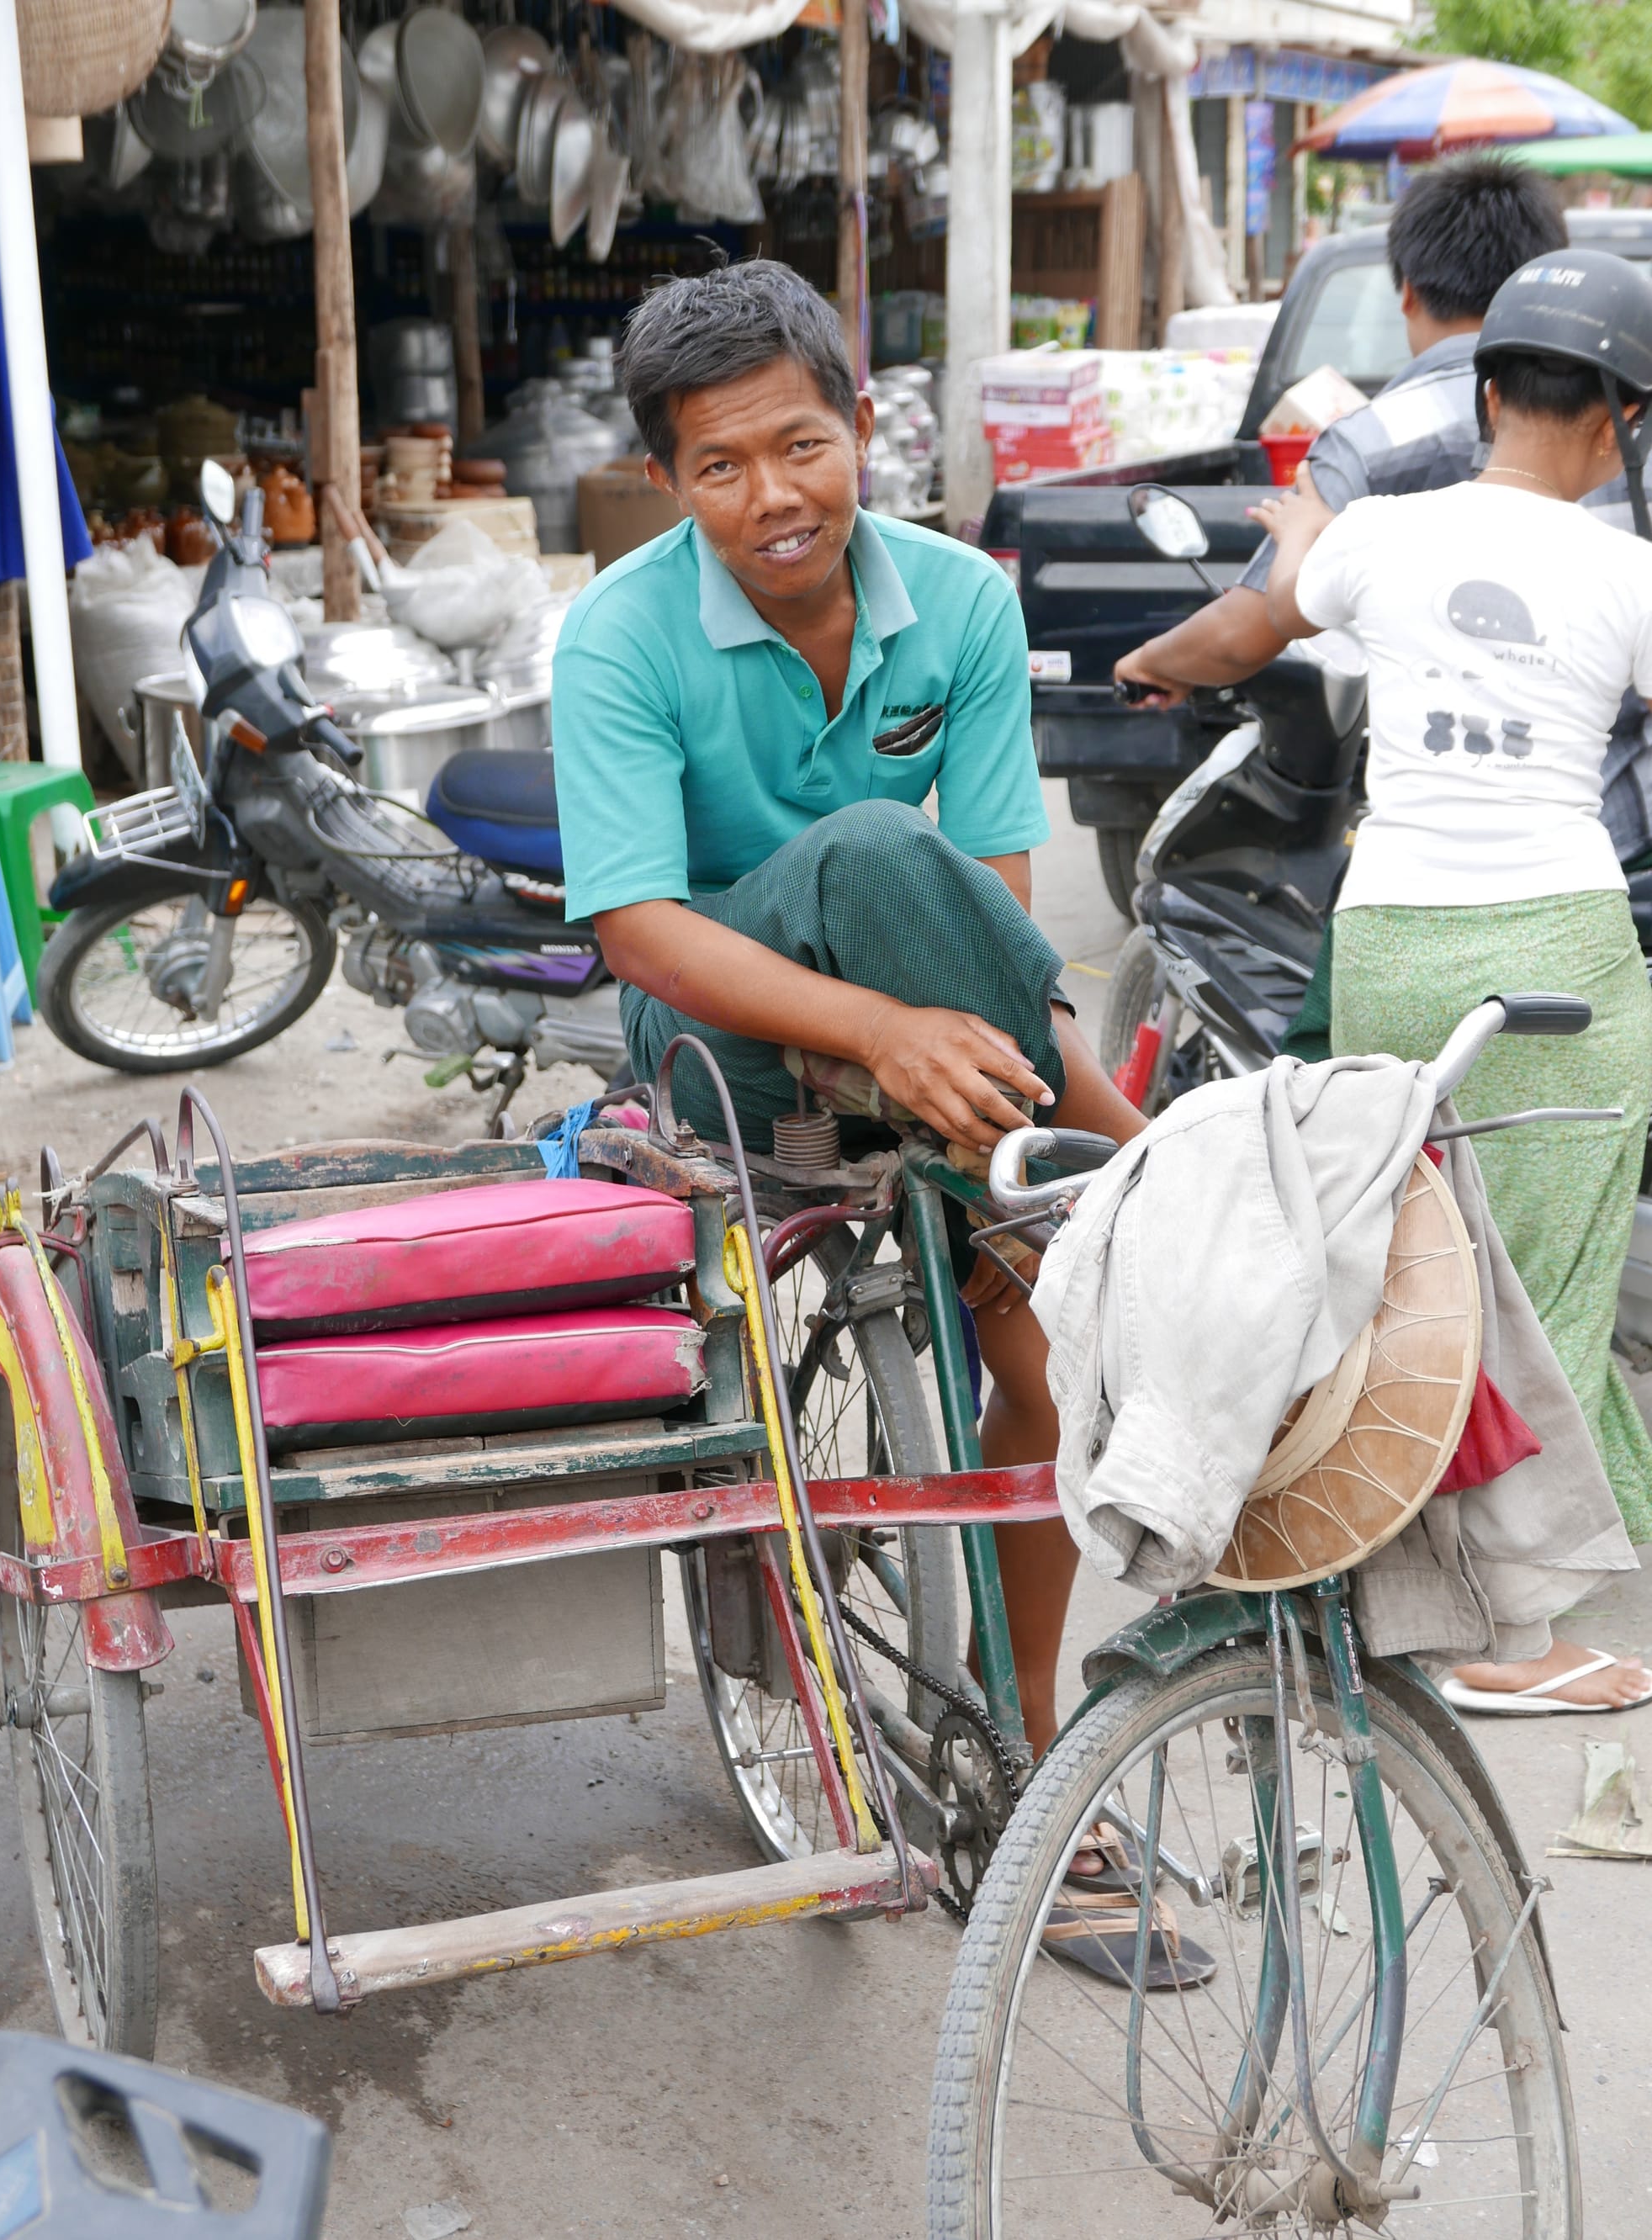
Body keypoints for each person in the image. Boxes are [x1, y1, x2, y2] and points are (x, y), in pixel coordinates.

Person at [551, 261, 1144, 1760]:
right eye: (721, 466)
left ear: (862, 427)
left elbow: (991, 914)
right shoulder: (618, 635)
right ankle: (1145, 1158)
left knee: (1051, 1373)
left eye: (801, 445)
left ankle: (1014, 1735)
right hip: (716, 1048)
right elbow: (636, 930)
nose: (772, 496)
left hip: (935, 1029)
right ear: (666, 477)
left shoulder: (963, 599)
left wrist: (915, 1033)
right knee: (875, 841)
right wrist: (870, 1032)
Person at [1245, 246, 1652, 1714]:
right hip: (1561, 938)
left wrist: (1183, 642)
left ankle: (1402, 1578)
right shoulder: (1627, 568)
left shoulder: (1380, 535)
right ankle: (1512, 1639)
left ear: (1483, 391)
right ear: (1619, 425)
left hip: (1393, 940)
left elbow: (1274, 603)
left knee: (1413, 1262)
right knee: (1549, 1273)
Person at [1114, 155, 1569, 712]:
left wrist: (1152, 662)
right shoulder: (1611, 433)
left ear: (1407, 294)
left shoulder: (1370, 441)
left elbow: (1245, 634)